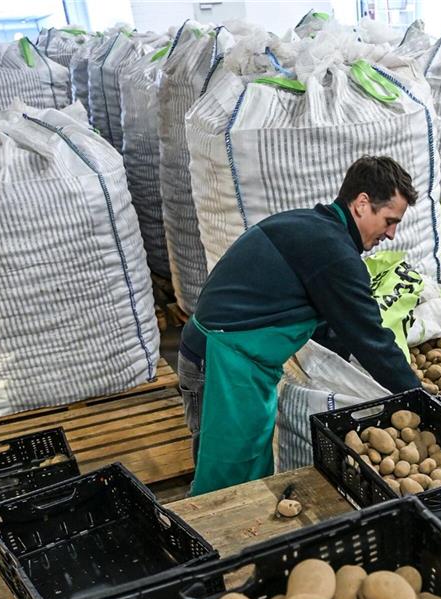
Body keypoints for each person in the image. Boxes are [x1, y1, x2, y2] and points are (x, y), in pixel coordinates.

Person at [178, 156, 420, 496]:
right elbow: (370, 337)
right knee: (223, 486)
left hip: (238, 365)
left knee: (246, 470)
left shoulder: (312, 227)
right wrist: (419, 397)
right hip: (221, 365)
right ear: (362, 204)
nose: (392, 233)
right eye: (390, 220)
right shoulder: (332, 251)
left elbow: (330, 325)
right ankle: (210, 546)